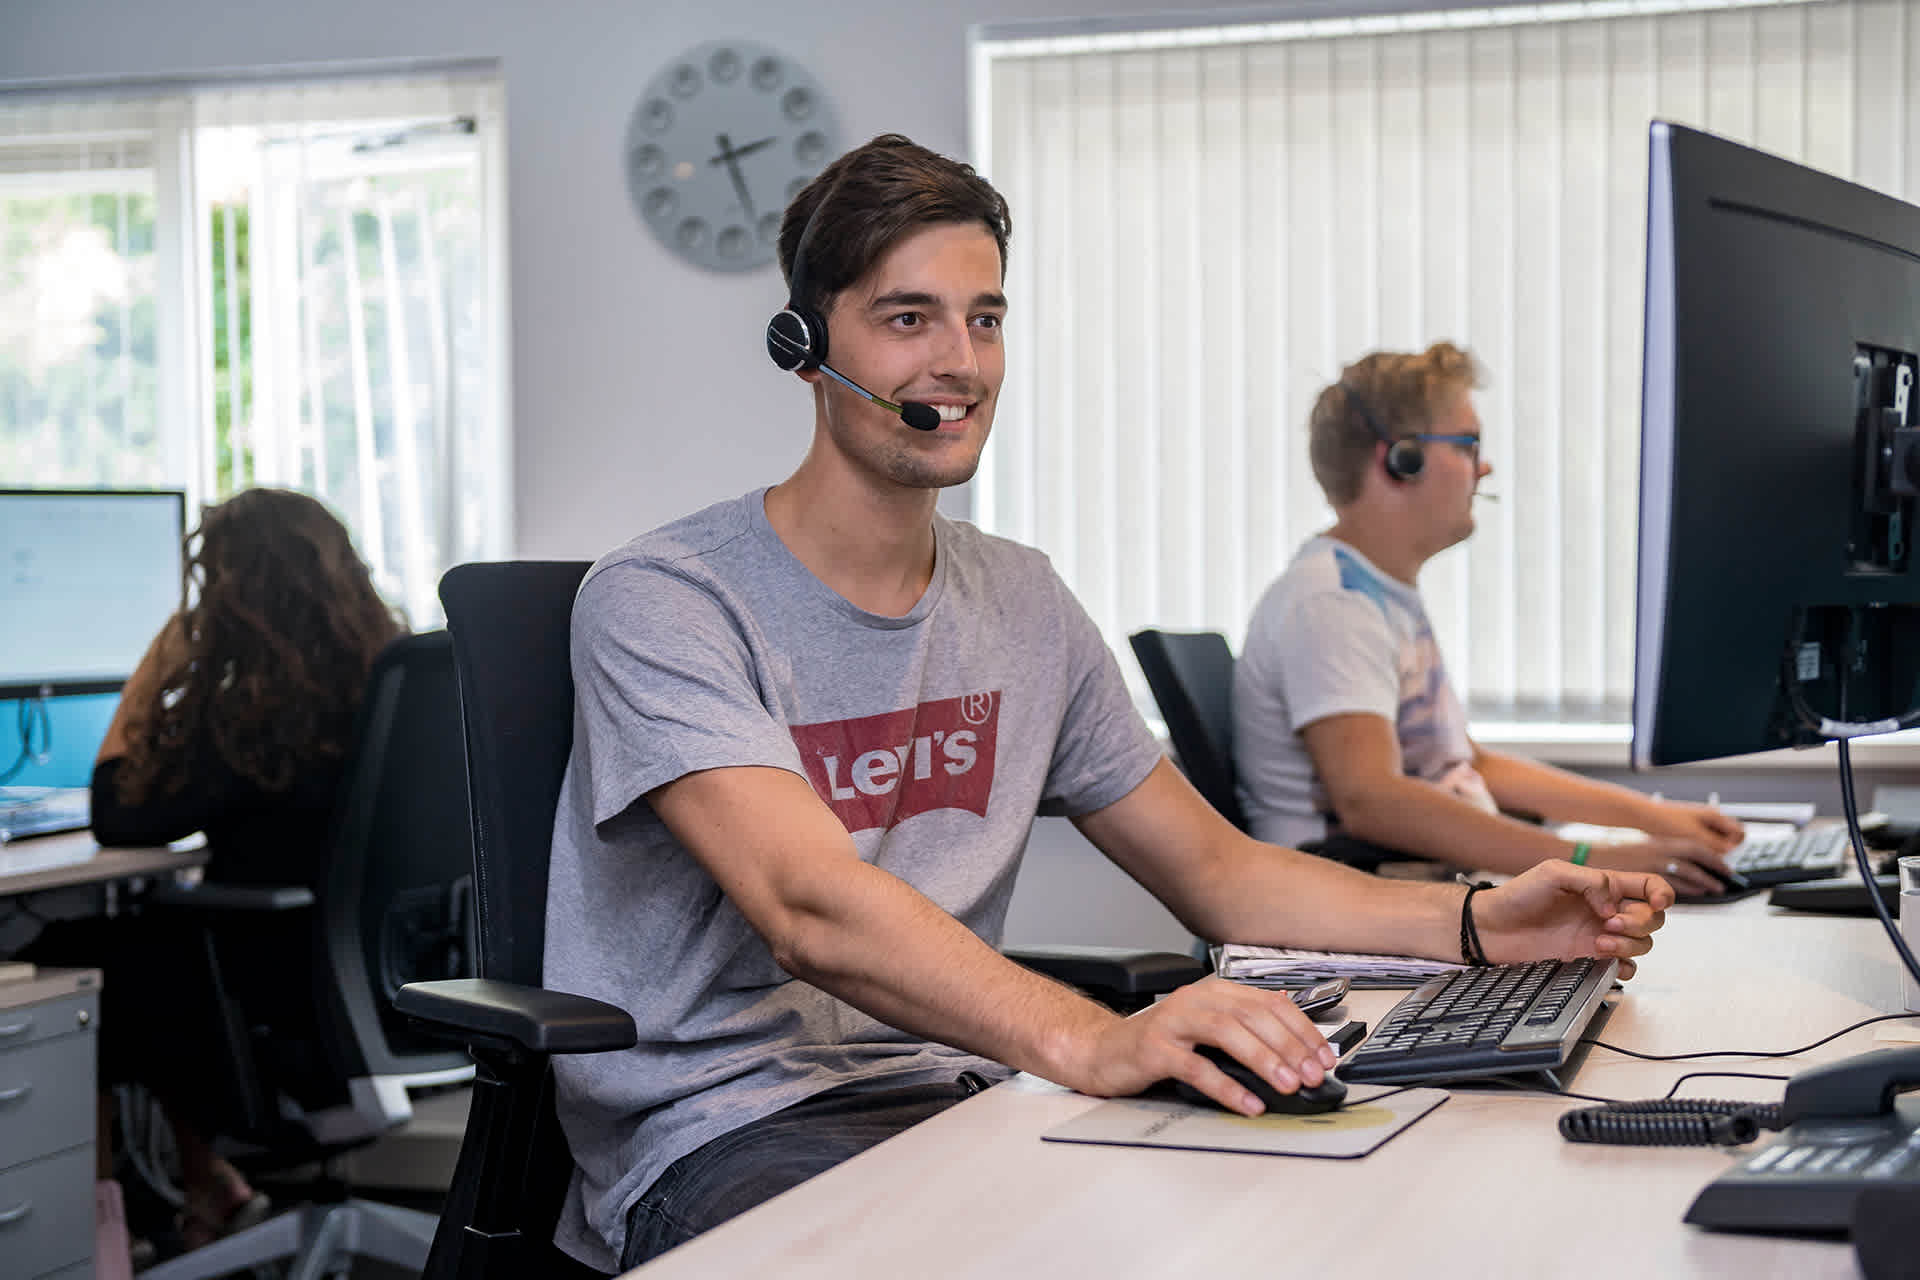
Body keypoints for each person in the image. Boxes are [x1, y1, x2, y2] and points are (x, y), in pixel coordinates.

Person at [548, 136, 1676, 1271]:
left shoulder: (1021, 601)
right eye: (908, 319)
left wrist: (1479, 920)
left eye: (984, 319)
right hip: (727, 1127)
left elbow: (1221, 873)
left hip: (954, 1090)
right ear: (804, 345)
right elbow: (811, 907)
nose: (961, 362)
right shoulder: (666, 598)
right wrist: (1093, 1039)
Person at [30, 486, 404, 1253]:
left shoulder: (251, 719)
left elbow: (117, 812)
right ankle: (211, 1186)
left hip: (274, 1002)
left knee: (72, 960)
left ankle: (101, 1243)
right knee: (149, 945)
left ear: (235, 597)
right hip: (387, 993)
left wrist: (151, 671)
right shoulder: (392, 689)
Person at [1232, 344, 1743, 896]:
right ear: (1400, 459)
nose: (1485, 465)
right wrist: (1591, 860)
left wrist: (1653, 818)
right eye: (1468, 444)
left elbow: (1468, 764)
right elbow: (1371, 802)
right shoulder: (1331, 605)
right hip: (1356, 902)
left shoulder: (1378, 593)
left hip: (1414, 887)